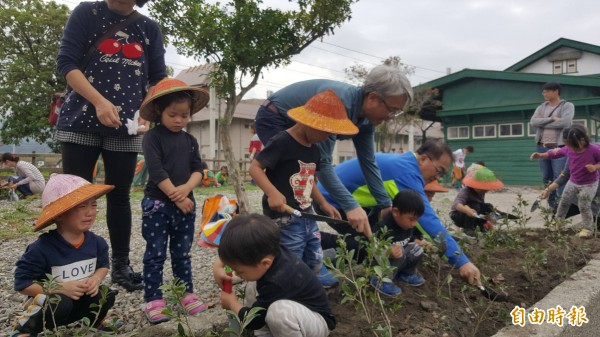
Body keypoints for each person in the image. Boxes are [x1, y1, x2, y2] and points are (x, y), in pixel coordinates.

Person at [55, 0, 167, 291]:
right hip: (81, 118)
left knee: (119, 197)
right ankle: (71, 263)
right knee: (76, 197)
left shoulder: (148, 28)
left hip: (125, 126)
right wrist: (99, 101)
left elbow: (157, 79)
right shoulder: (85, 12)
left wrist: (145, 111)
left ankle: (119, 264)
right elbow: (67, 64)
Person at [254, 65, 413, 237]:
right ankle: (282, 232)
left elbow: (368, 162)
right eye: (392, 109)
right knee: (290, 173)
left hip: (291, 121)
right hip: (276, 116)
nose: (391, 116)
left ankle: (305, 228)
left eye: (396, 112)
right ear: (373, 97)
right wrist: (351, 206)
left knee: (305, 173)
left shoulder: (366, 120)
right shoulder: (338, 106)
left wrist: (384, 204)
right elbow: (323, 165)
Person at [318, 140, 482, 286]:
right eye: (438, 171)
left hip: (353, 202)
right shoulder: (406, 172)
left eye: (442, 174)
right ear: (423, 159)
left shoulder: (406, 162)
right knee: (368, 246)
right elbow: (426, 219)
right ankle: (320, 254)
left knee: (383, 236)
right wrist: (461, 261)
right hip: (331, 202)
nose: (436, 178)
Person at [249, 90, 357, 288]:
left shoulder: (314, 149)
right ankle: (288, 288)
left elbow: (309, 180)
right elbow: (255, 168)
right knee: (292, 253)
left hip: (306, 212)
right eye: (325, 131)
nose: (327, 137)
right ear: (310, 122)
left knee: (313, 246)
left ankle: (314, 275)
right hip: (284, 215)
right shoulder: (282, 142)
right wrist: (272, 192)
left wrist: (323, 203)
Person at [138, 78, 209, 323]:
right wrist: (178, 197)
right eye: (173, 114)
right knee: (155, 254)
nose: (179, 120)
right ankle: (154, 299)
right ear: (159, 111)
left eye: (184, 115)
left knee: (182, 253)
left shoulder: (190, 141)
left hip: (185, 205)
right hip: (157, 205)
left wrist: (188, 188)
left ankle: (185, 293)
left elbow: (198, 169)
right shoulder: (152, 138)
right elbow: (157, 172)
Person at [11, 174, 117, 336]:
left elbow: (103, 266)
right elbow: (22, 284)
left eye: (94, 205)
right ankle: (26, 328)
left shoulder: (97, 243)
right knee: (61, 302)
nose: (90, 212)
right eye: (82, 206)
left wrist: (95, 279)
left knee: (106, 294)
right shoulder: (41, 248)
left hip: (79, 299)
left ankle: (95, 320)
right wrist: (60, 288)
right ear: (59, 214)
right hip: (51, 306)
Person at [213, 214, 335, 336]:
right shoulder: (270, 248)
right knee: (252, 285)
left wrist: (232, 303)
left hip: (316, 323)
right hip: (298, 313)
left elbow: (254, 321)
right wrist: (218, 266)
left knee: (279, 312)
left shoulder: (277, 281)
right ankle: (264, 334)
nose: (237, 275)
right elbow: (237, 247)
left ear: (265, 262)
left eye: (239, 271)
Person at [530, 124, 600, 238]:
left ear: (582, 140)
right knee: (563, 202)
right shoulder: (570, 150)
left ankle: (588, 229)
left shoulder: (594, 150)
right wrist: (541, 155)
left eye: (573, 145)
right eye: (568, 145)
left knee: (584, 205)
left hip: (590, 184)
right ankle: (558, 222)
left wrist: (595, 167)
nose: (570, 148)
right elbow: (556, 155)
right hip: (573, 182)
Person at [369, 190, 426, 296]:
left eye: (417, 219)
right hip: (381, 264)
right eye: (412, 219)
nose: (414, 223)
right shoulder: (383, 227)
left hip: (398, 259)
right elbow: (370, 246)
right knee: (400, 251)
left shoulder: (406, 224)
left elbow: (406, 238)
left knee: (417, 249)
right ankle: (381, 280)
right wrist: (386, 252)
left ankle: (405, 273)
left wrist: (416, 241)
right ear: (396, 212)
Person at [529, 82, 574, 209]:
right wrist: (551, 119)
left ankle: (562, 206)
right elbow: (533, 122)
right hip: (541, 146)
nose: (544, 94)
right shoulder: (541, 107)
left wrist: (541, 122)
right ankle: (552, 205)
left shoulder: (567, 106)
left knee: (559, 176)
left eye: (546, 91)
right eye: (543, 92)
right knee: (546, 177)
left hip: (559, 146)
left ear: (555, 91)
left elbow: (565, 123)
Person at [449, 168, 504, 236]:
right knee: (474, 206)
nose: (485, 191)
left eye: (487, 189)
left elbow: (481, 206)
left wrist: (494, 211)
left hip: (473, 215)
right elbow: (456, 205)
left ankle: (481, 225)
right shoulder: (466, 191)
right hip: (458, 216)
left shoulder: (481, 192)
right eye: (483, 189)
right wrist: (467, 210)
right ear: (475, 184)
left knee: (488, 206)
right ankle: (468, 229)